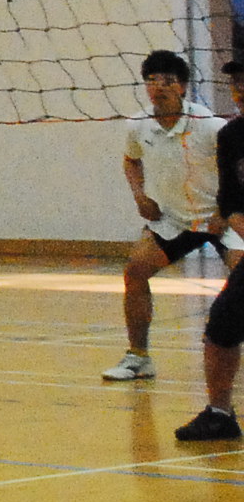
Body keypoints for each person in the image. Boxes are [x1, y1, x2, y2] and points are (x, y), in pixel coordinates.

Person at [103, 49, 228, 382]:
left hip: (220, 218)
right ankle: (138, 357)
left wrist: (224, 212)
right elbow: (131, 160)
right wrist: (140, 196)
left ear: (183, 87)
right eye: (151, 80)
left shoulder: (210, 126)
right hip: (174, 219)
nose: (158, 87)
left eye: (168, 81)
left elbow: (236, 171)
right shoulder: (138, 125)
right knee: (135, 271)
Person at [173, 83, 244, 442]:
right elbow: (231, 203)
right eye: (236, 83)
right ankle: (219, 415)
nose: (241, 90)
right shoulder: (232, 135)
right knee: (222, 324)